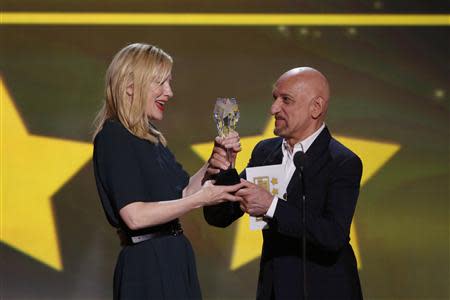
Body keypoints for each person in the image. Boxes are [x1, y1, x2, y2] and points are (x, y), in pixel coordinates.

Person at [92, 43, 243, 300]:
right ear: (130, 86)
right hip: (147, 267)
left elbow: (182, 192)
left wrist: (212, 164)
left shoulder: (150, 138)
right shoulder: (114, 137)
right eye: (160, 83)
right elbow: (134, 216)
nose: (169, 92)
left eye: (169, 83)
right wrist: (201, 199)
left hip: (174, 257)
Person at [205, 67, 364, 299]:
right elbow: (219, 217)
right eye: (274, 99)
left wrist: (272, 205)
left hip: (325, 290)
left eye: (285, 100)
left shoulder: (342, 162)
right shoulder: (265, 152)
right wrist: (225, 170)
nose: (273, 109)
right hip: (275, 290)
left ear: (316, 107)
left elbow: (332, 236)